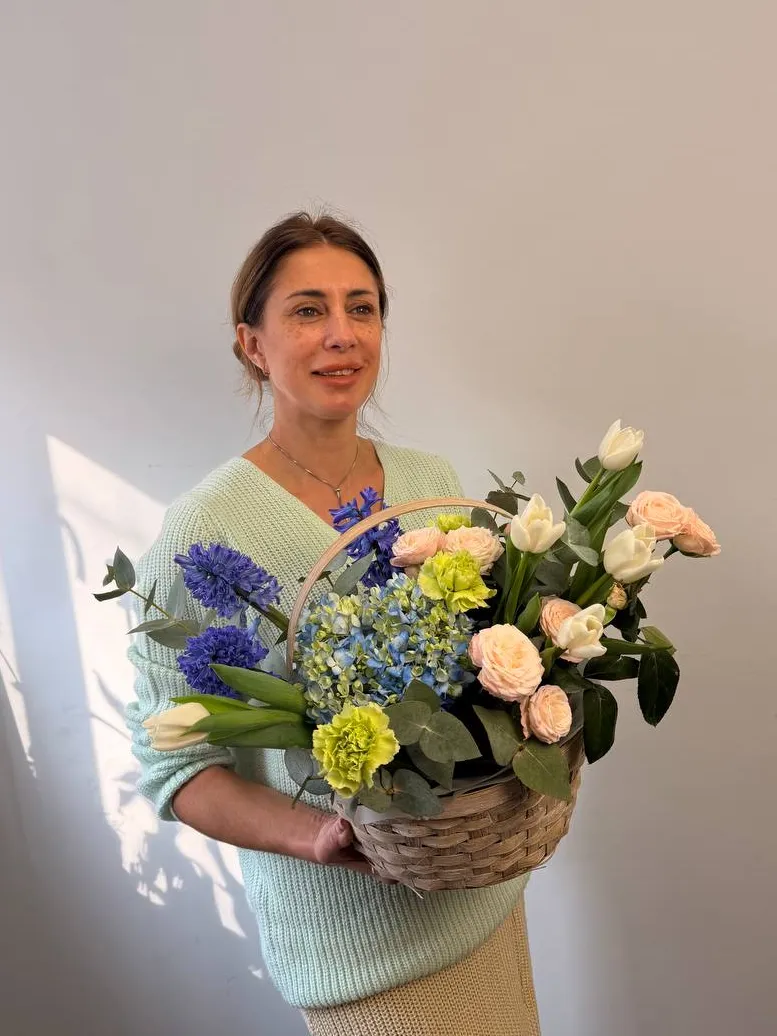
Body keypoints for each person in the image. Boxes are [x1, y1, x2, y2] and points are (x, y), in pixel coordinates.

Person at [125, 212, 541, 1035]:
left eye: (362, 308)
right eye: (308, 310)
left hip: (484, 898)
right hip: (360, 952)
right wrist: (317, 834)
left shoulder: (429, 482)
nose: (342, 334)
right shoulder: (203, 531)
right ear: (252, 344)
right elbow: (179, 769)